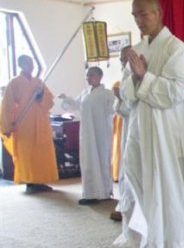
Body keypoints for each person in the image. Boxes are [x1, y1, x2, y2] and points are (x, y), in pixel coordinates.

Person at [101, 0, 184, 248]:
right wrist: (131, 77)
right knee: (131, 182)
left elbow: (176, 94)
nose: (139, 20)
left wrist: (144, 76)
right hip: (139, 127)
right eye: (135, 15)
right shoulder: (137, 49)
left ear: (159, 12)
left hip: (166, 131)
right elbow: (128, 94)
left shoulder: (177, 48)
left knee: (173, 187)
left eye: (144, 14)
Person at [0, 55, 59, 193]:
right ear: (21, 65)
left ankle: (41, 181)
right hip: (24, 125)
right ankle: (30, 182)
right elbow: (7, 106)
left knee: (42, 154)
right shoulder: (14, 83)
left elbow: (49, 101)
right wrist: (7, 126)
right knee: (27, 155)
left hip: (41, 123)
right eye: (27, 63)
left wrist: (41, 96)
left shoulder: (38, 82)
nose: (31, 66)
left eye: (31, 63)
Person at [59, 67, 115, 204]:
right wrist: (66, 98)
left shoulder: (108, 94)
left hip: (101, 133)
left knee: (102, 159)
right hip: (87, 133)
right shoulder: (85, 93)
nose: (88, 78)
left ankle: (104, 192)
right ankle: (91, 192)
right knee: (88, 160)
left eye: (91, 75)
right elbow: (75, 105)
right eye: (87, 75)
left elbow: (114, 110)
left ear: (100, 76)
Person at [110, 46, 134, 221]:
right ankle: (125, 204)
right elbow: (120, 109)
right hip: (127, 128)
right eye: (122, 60)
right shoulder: (123, 79)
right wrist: (119, 100)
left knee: (134, 169)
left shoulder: (138, 77)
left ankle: (132, 207)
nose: (124, 63)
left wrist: (121, 100)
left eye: (127, 59)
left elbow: (134, 107)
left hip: (139, 128)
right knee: (126, 168)